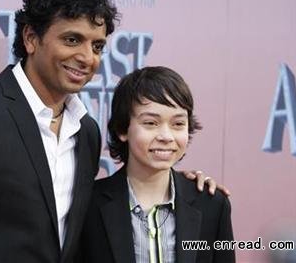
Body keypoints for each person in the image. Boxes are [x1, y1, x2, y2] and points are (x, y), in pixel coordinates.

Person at [0, 0, 227, 263]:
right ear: (30, 38)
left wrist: (179, 184)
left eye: (97, 46)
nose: (86, 57)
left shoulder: (85, 131)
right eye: (72, 40)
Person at [78, 66, 235, 263]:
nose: (166, 136)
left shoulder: (212, 205)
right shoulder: (88, 205)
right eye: (151, 123)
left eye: (178, 124)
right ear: (122, 129)